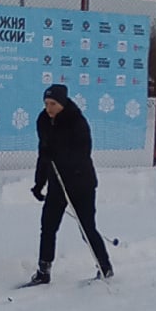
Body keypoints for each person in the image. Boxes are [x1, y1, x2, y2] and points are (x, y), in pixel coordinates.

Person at [30, 83, 113, 282]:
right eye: (46, 103)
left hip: (80, 183)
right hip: (57, 183)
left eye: (53, 104)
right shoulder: (43, 120)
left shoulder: (77, 122)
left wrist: (57, 154)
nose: (48, 108)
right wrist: (39, 183)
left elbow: (82, 153)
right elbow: (44, 155)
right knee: (48, 226)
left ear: (63, 104)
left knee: (86, 228)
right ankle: (44, 271)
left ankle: (104, 266)